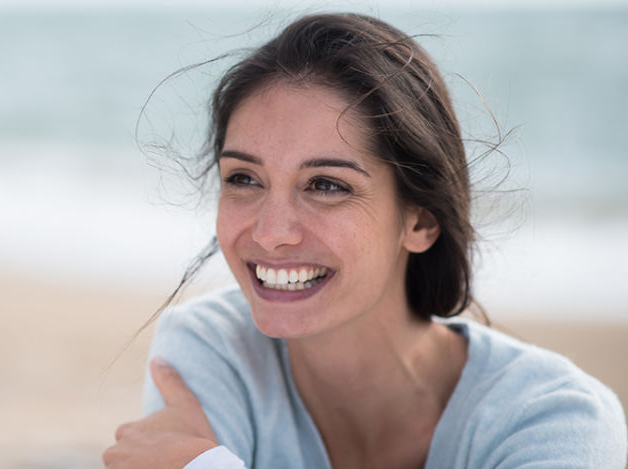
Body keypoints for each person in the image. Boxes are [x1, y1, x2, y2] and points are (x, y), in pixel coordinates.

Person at [102, 12, 628, 469]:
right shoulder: (213, 349)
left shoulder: (556, 419)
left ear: (420, 221)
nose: (270, 232)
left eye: (327, 185)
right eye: (243, 178)